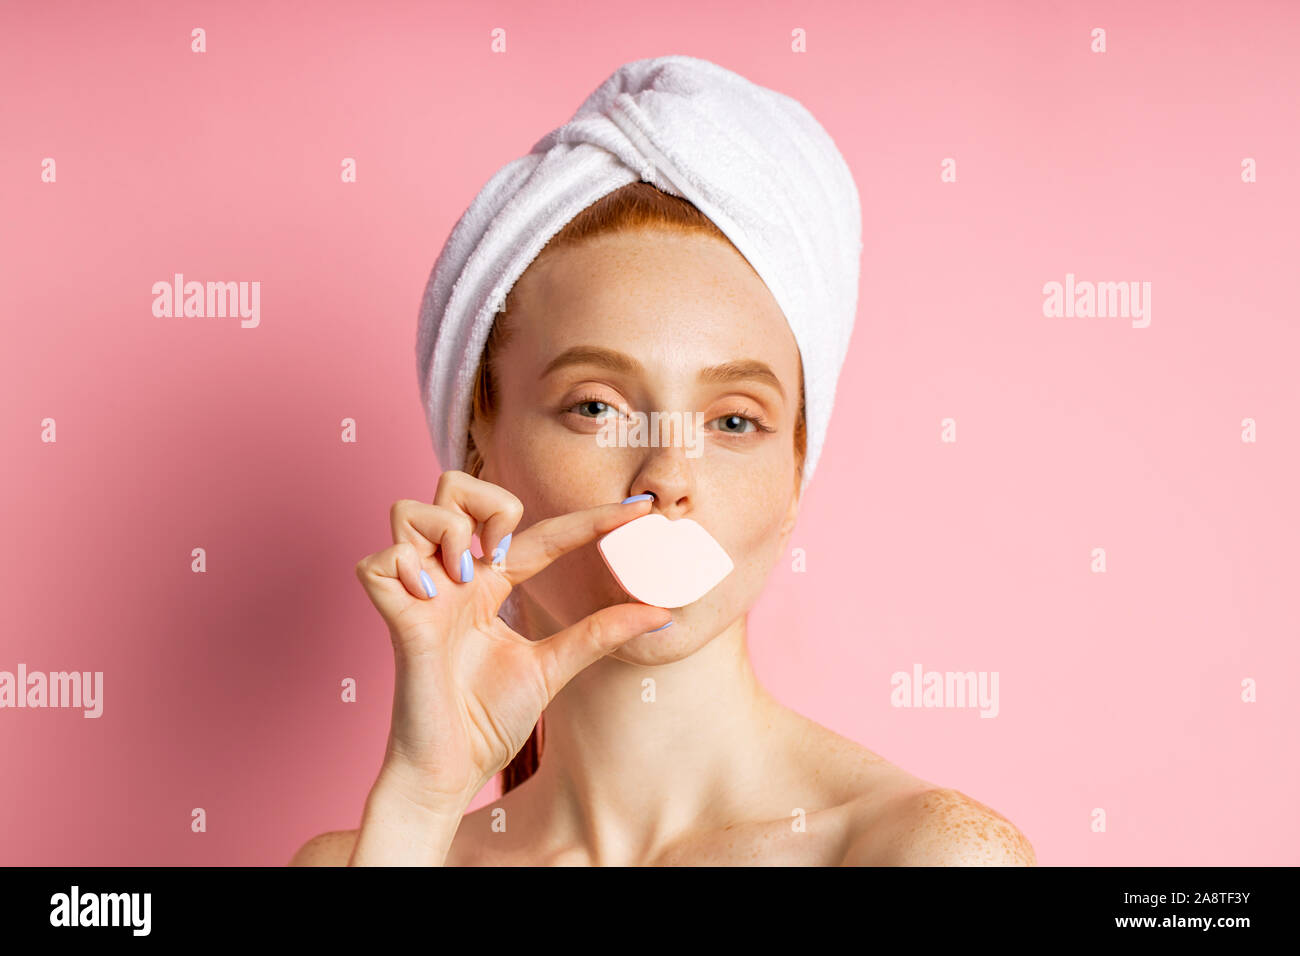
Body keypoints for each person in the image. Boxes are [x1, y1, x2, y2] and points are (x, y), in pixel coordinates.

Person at [291, 57, 1035, 866]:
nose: (668, 477)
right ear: (482, 454)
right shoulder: (375, 853)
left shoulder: (924, 853)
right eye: (596, 408)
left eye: (734, 421)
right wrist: (424, 797)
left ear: (794, 478)